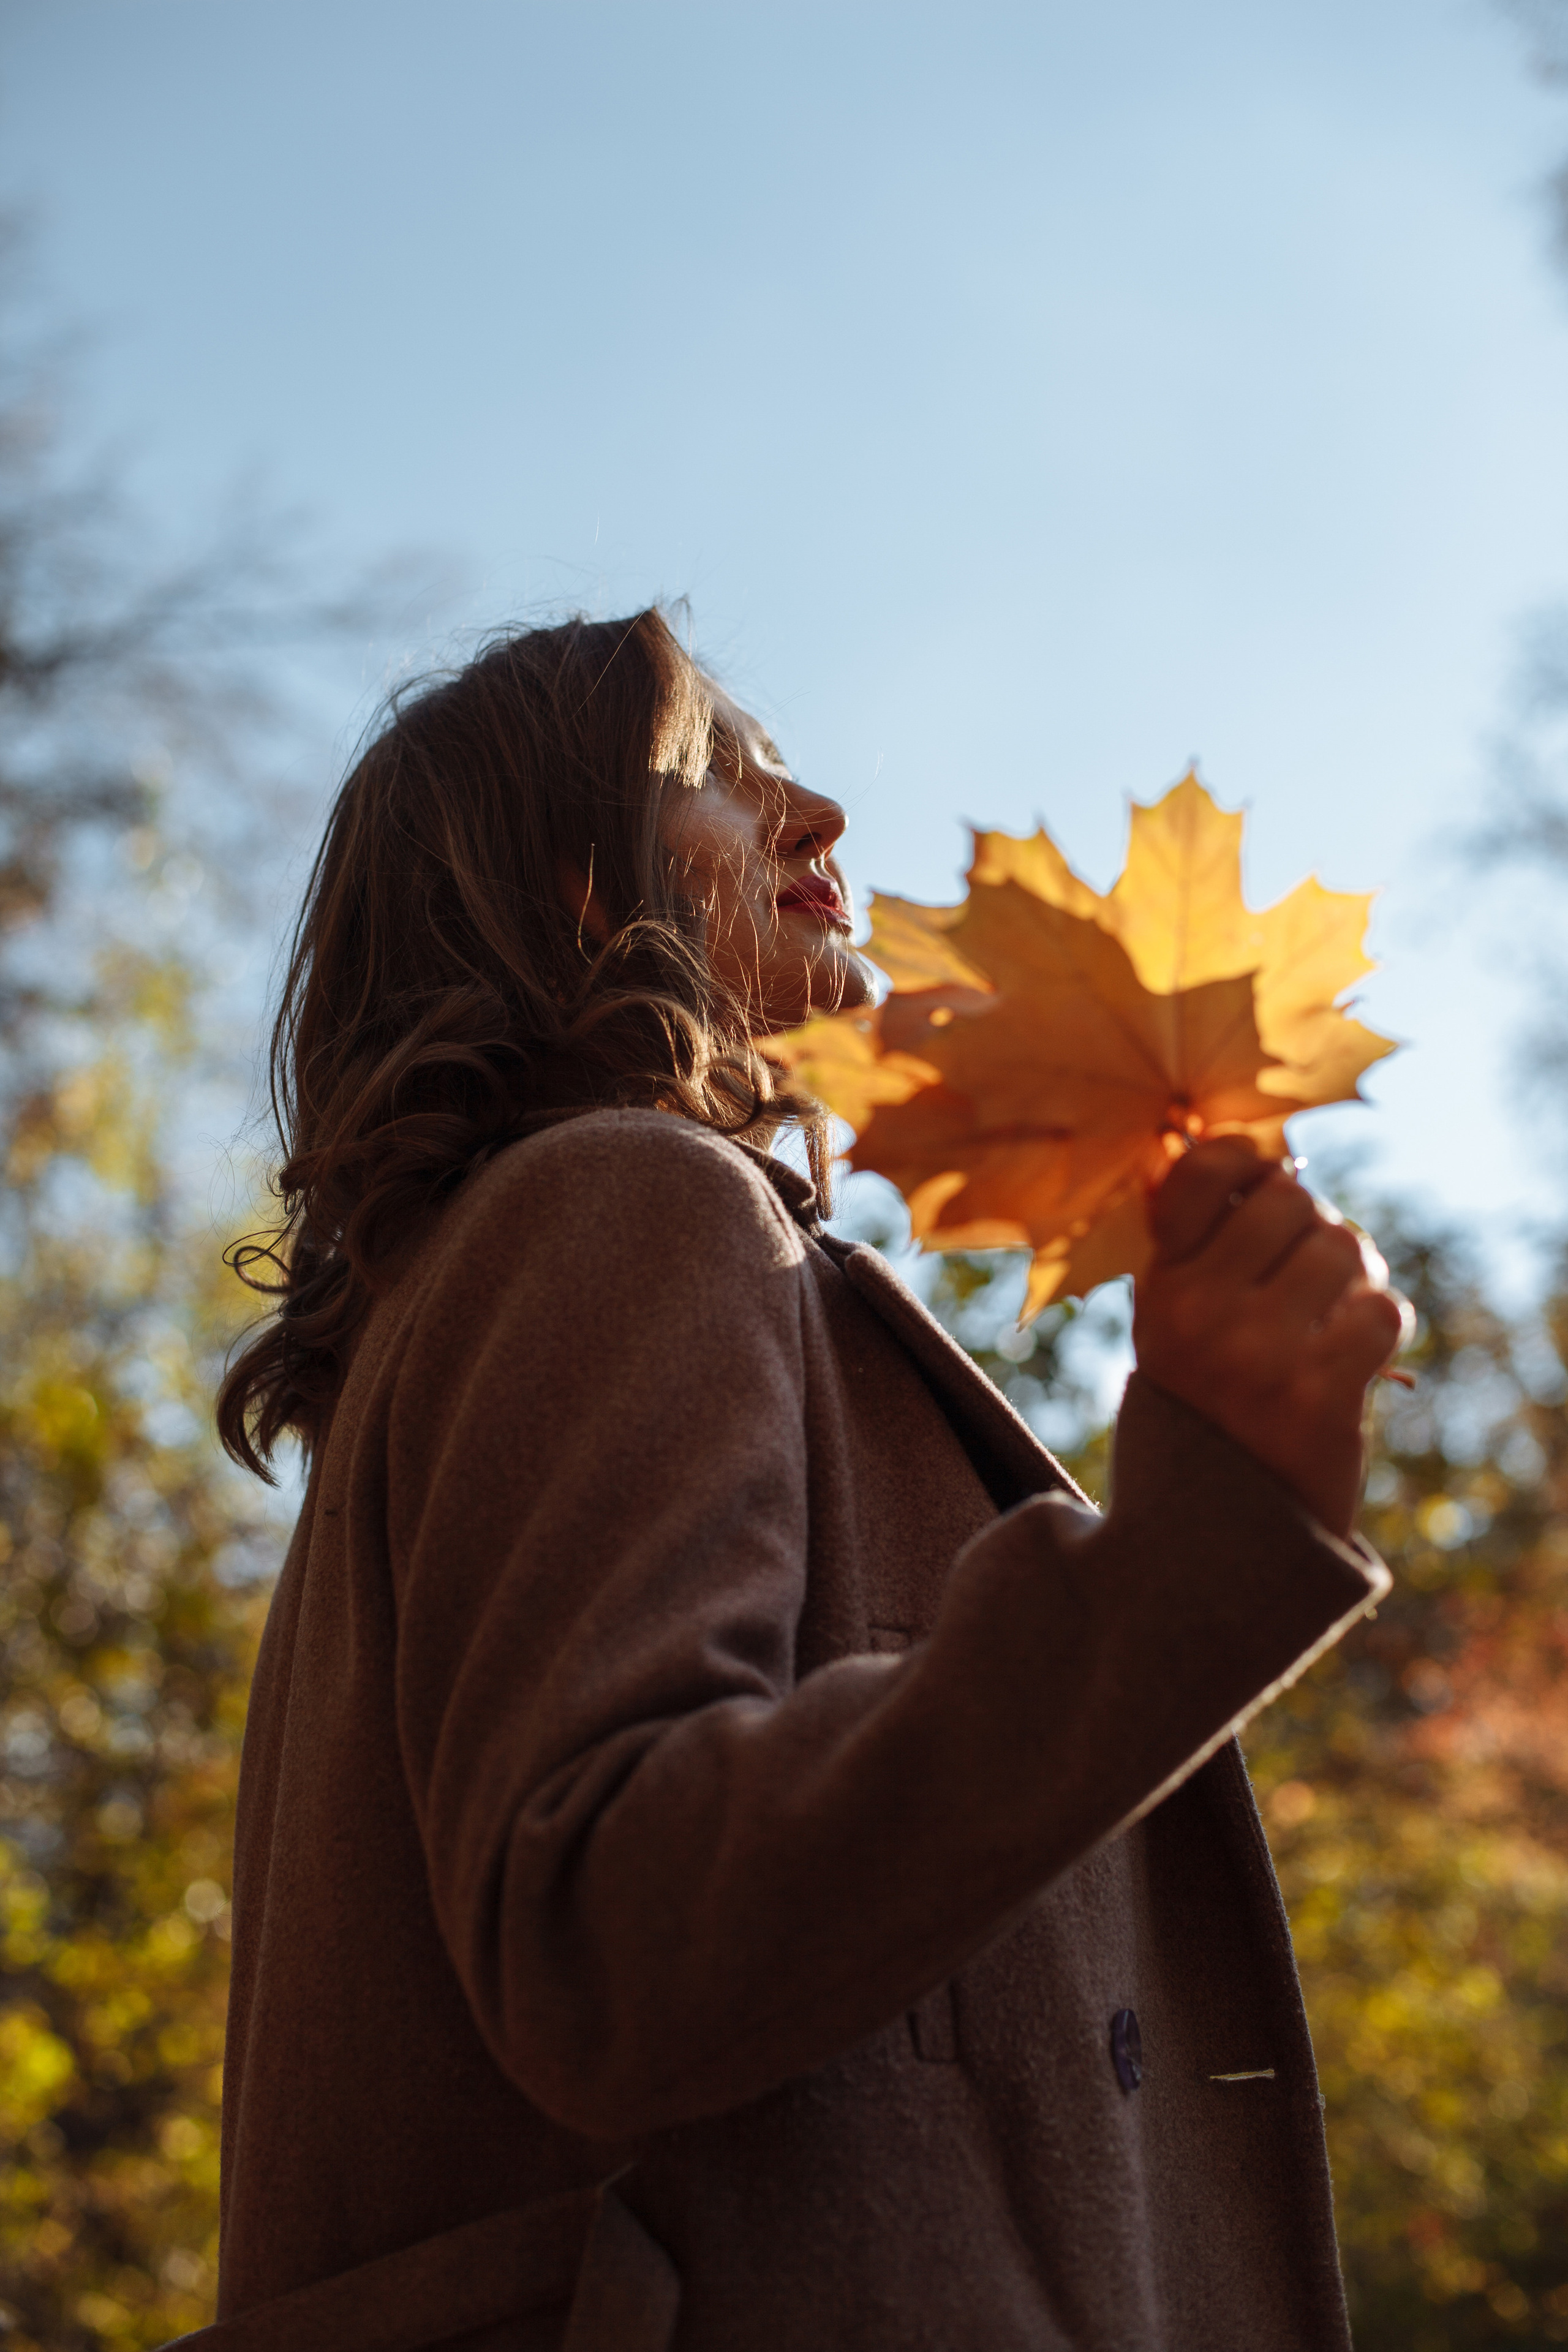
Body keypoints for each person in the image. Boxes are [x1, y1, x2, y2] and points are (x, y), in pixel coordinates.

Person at [201, 609, 1404, 2352]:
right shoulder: (623, 1201)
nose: (822, 812)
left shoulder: (528, 1273)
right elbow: (608, 1928)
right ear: (574, 890)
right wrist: (1200, 1540)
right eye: (714, 776)